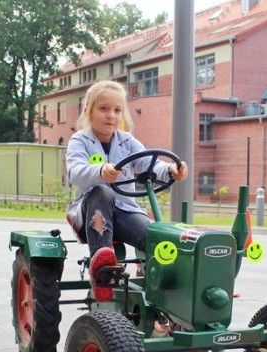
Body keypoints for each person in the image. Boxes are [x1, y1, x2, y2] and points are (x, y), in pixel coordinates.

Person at [65, 80, 188, 301]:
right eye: (103, 109)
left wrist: (170, 170)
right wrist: (100, 171)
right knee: (101, 191)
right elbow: (75, 171)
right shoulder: (80, 140)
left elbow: (149, 164)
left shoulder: (127, 141)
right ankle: (102, 273)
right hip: (91, 212)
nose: (111, 115)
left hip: (124, 211)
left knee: (159, 240)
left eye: (117, 110)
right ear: (88, 111)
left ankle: (169, 289)